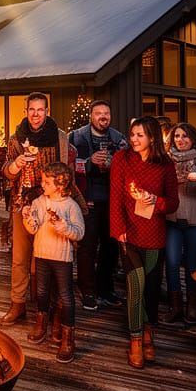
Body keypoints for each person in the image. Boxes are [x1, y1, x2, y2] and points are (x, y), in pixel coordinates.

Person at [0, 93, 78, 325]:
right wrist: (16, 165)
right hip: (23, 203)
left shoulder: (59, 137)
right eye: (32, 109)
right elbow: (6, 172)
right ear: (26, 111)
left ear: (47, 111)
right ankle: (18, 303)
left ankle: (53, 307)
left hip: (50, 203)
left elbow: (68, 170)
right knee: (20, 257)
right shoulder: (16, 138)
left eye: (40, 109)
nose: (35, 114)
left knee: (51, 256)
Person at [110, 116, 179, 368]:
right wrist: (118, 228)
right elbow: (116, 196)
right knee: (135, 286)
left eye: (140, 135)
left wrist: (156, 201)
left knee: (150, 288)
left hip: (154, 234)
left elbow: (173, 202)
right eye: (132, 134)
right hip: (128, 234)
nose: (134, 139)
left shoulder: (166, 164)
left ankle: (149, 331)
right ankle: (136, 339)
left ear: (152, 137)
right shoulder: (122, 158)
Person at [22, 162, 85, 363]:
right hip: (41, 253)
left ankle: (67, 336)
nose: (42, 185)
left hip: (62, 257)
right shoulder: (39, 202)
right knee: (41, 291)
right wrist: (28, 218)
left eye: (46, 182)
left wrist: (63, 227)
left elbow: (79, 233)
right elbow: (33, 228)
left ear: (60, 185)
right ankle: (41, 324)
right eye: (42, 181)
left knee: (65, 297)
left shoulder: (71, 206)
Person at [68, 99, 127, 310]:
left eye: (106, 113)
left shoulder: (119, 139)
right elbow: (69, 166)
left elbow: (128, 167)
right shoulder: (75, 137)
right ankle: (88, 291)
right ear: (91, 116)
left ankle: (106, 289)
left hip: (112, 200)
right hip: (87, 200)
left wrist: (113, 164)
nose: (103, 117)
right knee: (87, 247)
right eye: (98, 113)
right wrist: (90, 162)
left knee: (110, 248)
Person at [162, 122, 196, 325]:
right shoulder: (166, 159)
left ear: (193, 139)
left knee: (192, 264)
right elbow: (164, 183)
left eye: (185, 136)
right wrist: (183, 176)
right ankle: (175, 307)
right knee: (172, 262)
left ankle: (193, 307)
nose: (180, 140)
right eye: (177, 136)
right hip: (172, 219)